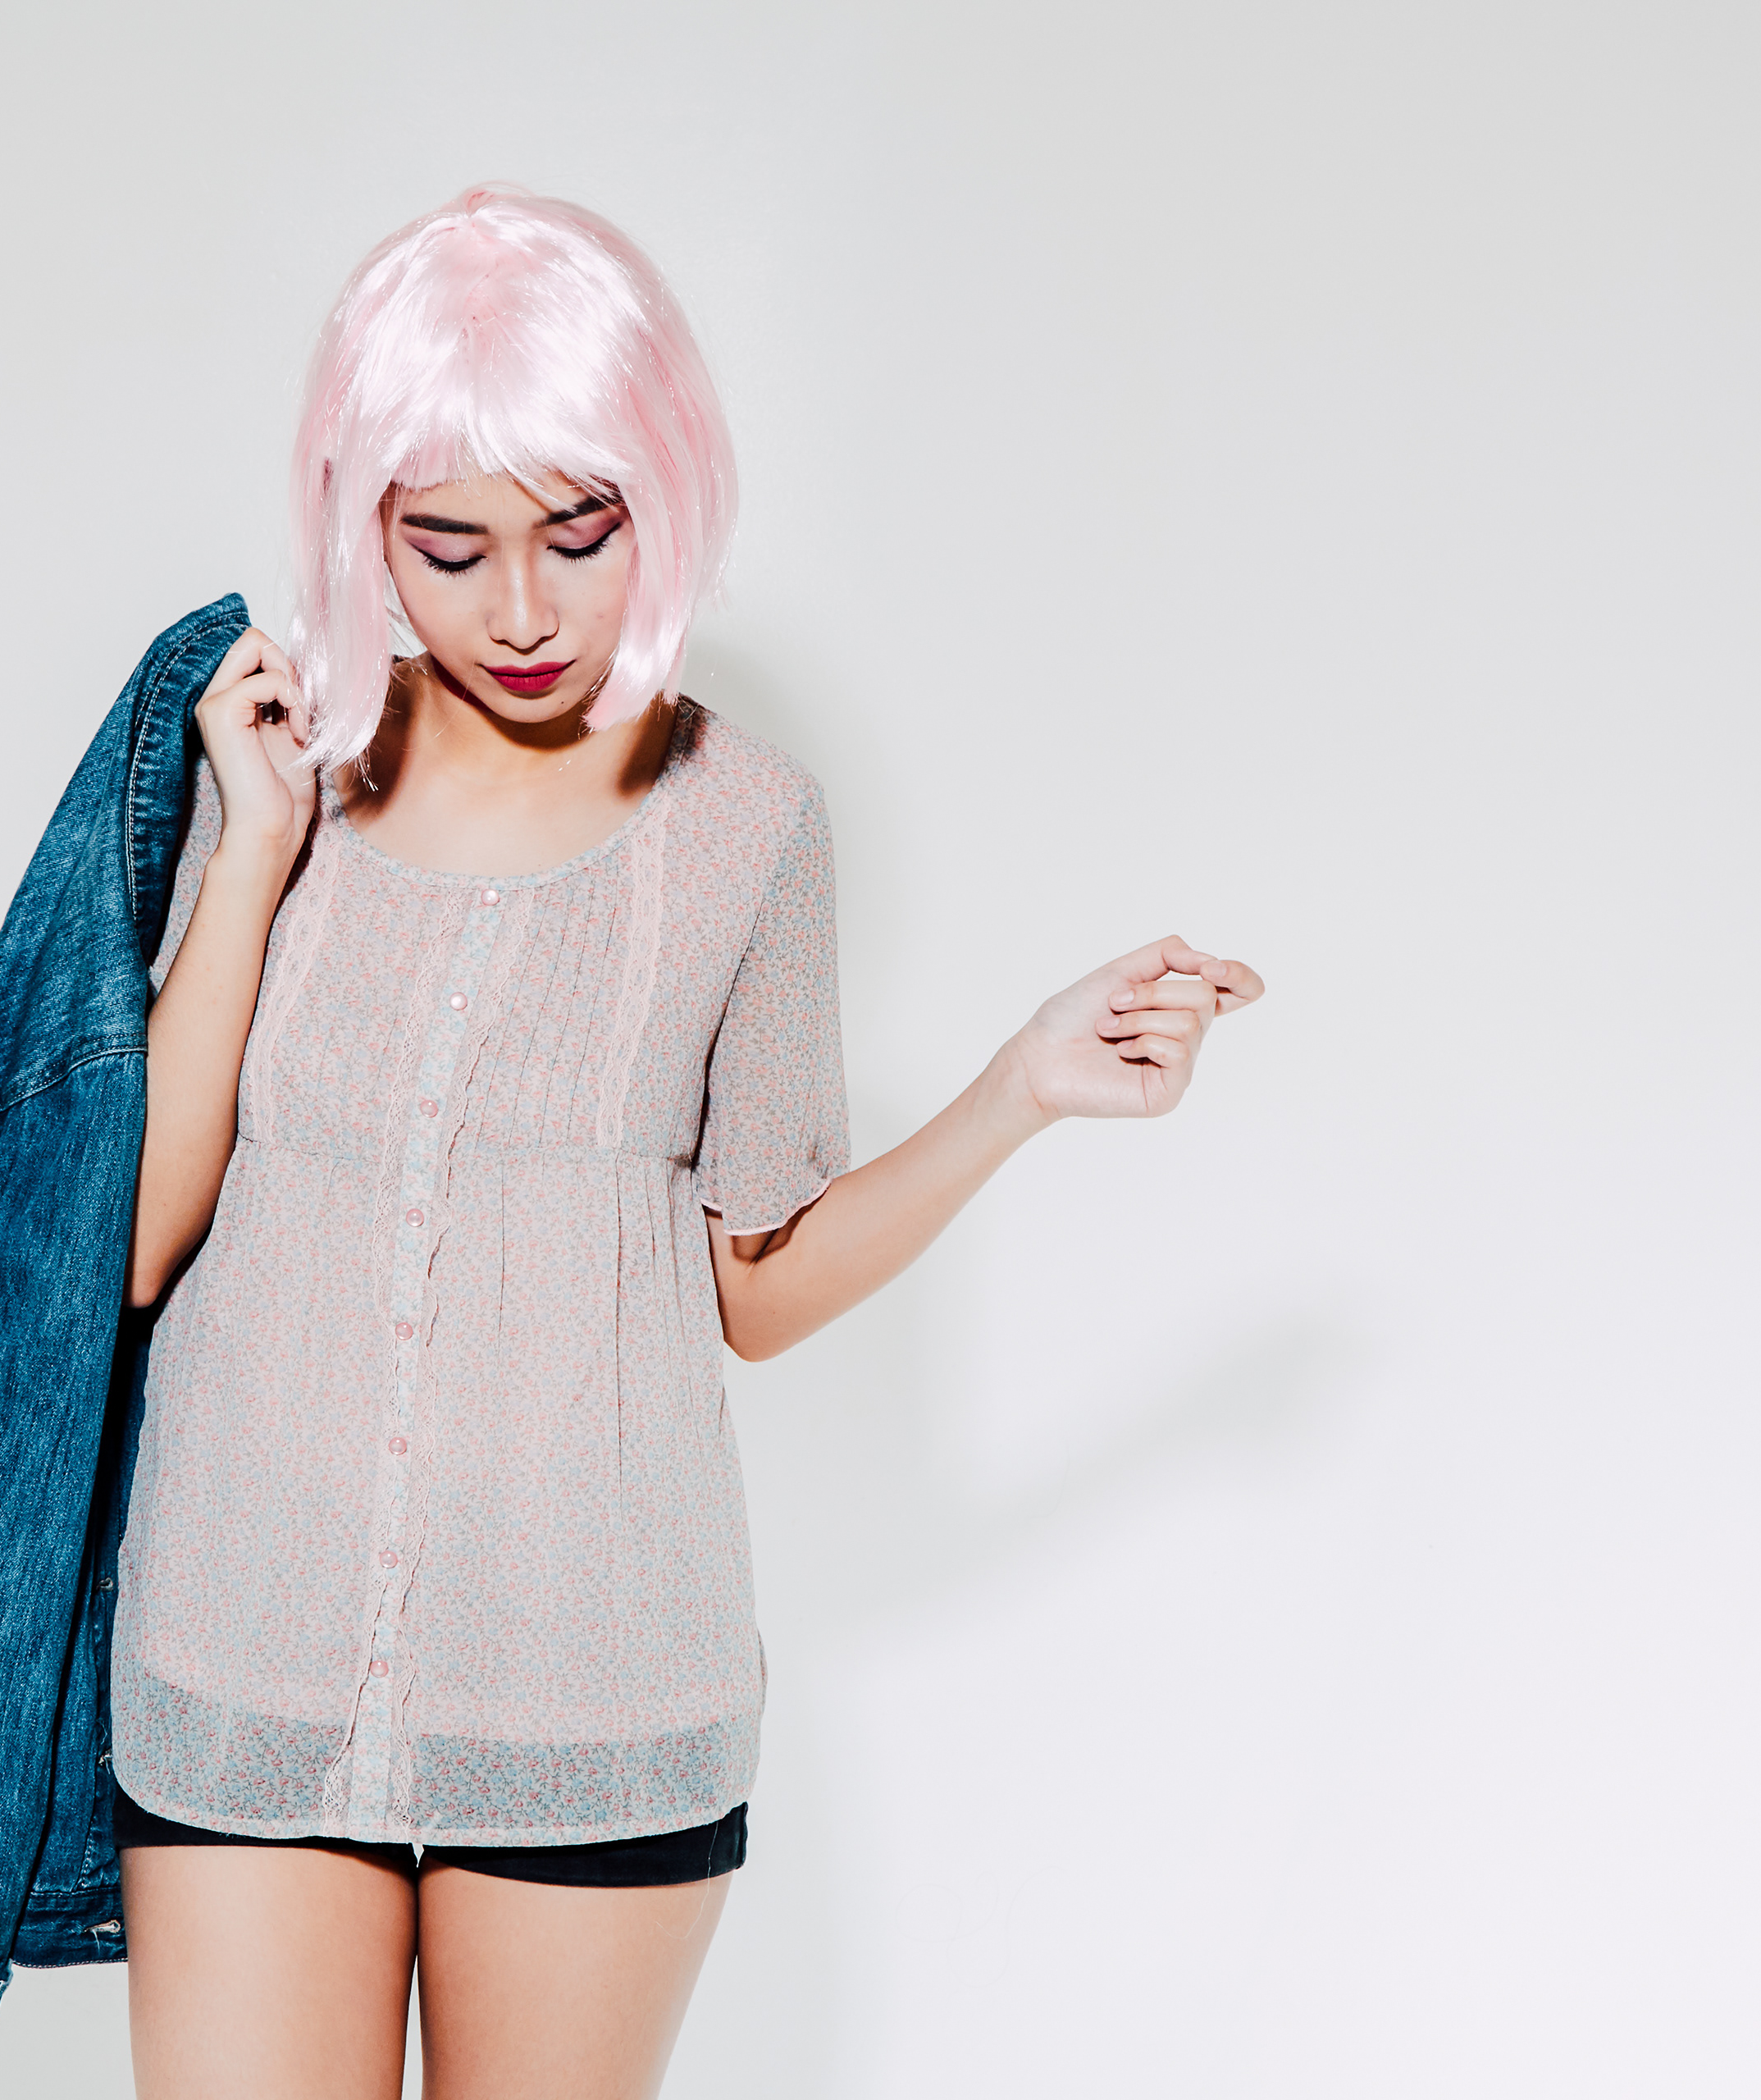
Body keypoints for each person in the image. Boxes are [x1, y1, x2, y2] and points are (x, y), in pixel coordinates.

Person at [112, 186, 1261, 2100]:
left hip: (598, 1687)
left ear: (666, 490)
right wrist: (245, 856)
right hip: (241, 1664)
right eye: (449, 546)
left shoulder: (751, 824)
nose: (524, 610)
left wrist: (1017, 1086)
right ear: (357, 521)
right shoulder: (265, 762)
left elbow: (759, 1286)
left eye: (581, 532)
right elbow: (137, 1241)